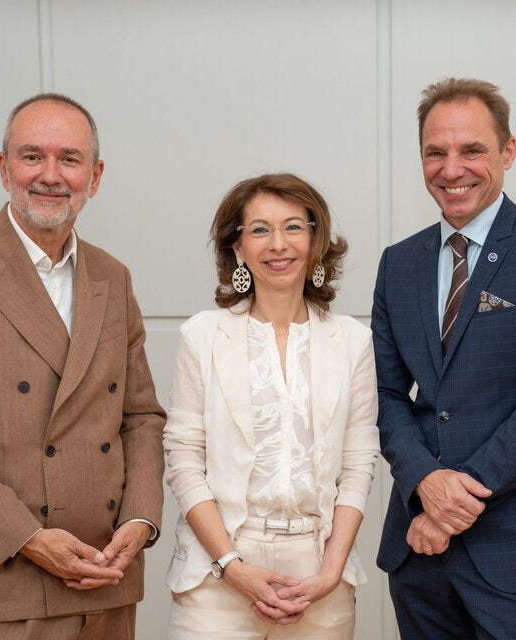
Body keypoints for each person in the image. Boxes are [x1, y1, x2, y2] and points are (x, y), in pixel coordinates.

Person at [0, 93, 166, 640]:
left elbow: (140, 416)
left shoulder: (112, 277)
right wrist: (28, 537)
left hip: (103, 571)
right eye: (31, 156)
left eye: (69, 159)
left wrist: (139, 520)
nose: (50, 175)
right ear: (3, 168)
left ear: (95, 176)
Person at [373, 77, 516, 638]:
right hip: (418, 554)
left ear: (508, 151)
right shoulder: (397, 263)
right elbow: (383, 393)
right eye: (436, 152)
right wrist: (426, 482)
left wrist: (452, 501)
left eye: (472, 150)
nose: (452, 169)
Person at [163, 173, 380, 639]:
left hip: (320, 575)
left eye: (293, 227)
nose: (278, 244)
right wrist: (232, 566)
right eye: (259, 229)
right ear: (237, 248)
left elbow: (359, 463)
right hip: (216, 573)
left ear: (316, 239)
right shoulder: (201, 336)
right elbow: (183, 460)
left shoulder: (353, 342)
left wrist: (329, 571)